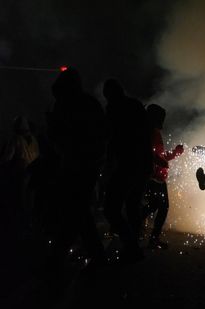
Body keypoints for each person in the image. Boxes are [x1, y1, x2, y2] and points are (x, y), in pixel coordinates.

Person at [45, 67, 107, 283]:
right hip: (83, 167)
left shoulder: (70, 105)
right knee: (79, 214)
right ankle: (95, 257)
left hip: (76, 167)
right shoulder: (88, 104)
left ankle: (58, 260)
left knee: (74, 214)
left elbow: (61, 137)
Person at [103, 78, 152, 263]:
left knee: (111, 208)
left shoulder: (115, 109)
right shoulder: (135, 106)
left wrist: (109, 162)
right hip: (141, 164)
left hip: (129, 164)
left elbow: (111, 137)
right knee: (132, 206)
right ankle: (133, 248)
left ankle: (131, 246)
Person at [142, 104, 184, 249]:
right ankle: (149, 237)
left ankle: (137, 226)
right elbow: (147, 152)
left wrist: (175, 153)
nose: (162, 120)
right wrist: (158, 160)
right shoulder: (147, 132)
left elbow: (160, 156)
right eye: (160, 117)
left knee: (156, 205)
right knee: (162, 206)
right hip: (151, 177)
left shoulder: (155, 132)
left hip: (158, 177)